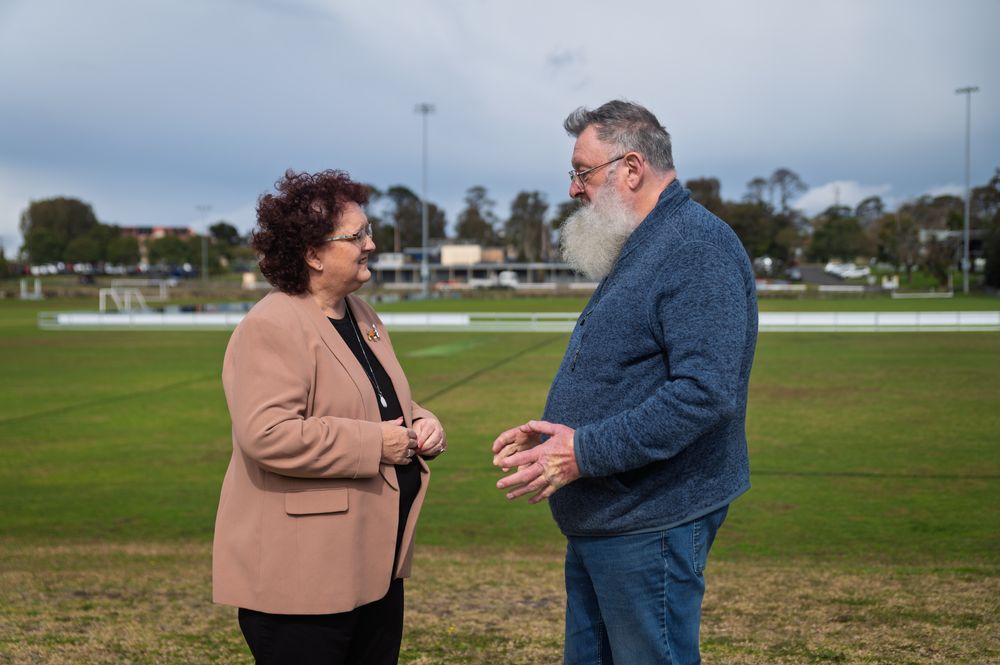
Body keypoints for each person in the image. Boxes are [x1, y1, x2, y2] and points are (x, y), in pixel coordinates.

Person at [492, 100, 757, 665]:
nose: (573, 189)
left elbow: (704, 392)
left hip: (651, 519)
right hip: (609, 516)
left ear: (630, 169)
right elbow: (632, 375)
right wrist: (558, 439)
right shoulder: (647, 243)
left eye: (582, 172)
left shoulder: (695, 247)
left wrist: (583, 450)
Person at [213, 169, 447, 665]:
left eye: (368, 230)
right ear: (313, 254)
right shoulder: (273, 324)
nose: (372, 243)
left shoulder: (360, 314)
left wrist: (420, 421)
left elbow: (374, 400)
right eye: (357, 235)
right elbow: (268, 435)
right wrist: (376, 445)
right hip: (303, 582)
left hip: (370, 568)